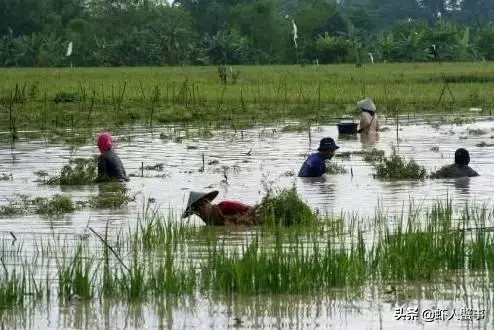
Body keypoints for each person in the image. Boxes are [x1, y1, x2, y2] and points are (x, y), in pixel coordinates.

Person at [182, 190, 260, 226]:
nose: (200, 212)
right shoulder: (208, 219)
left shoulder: (225, 206)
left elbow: (249, 210)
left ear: (208, 203)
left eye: (202, 205)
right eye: (197, 210)